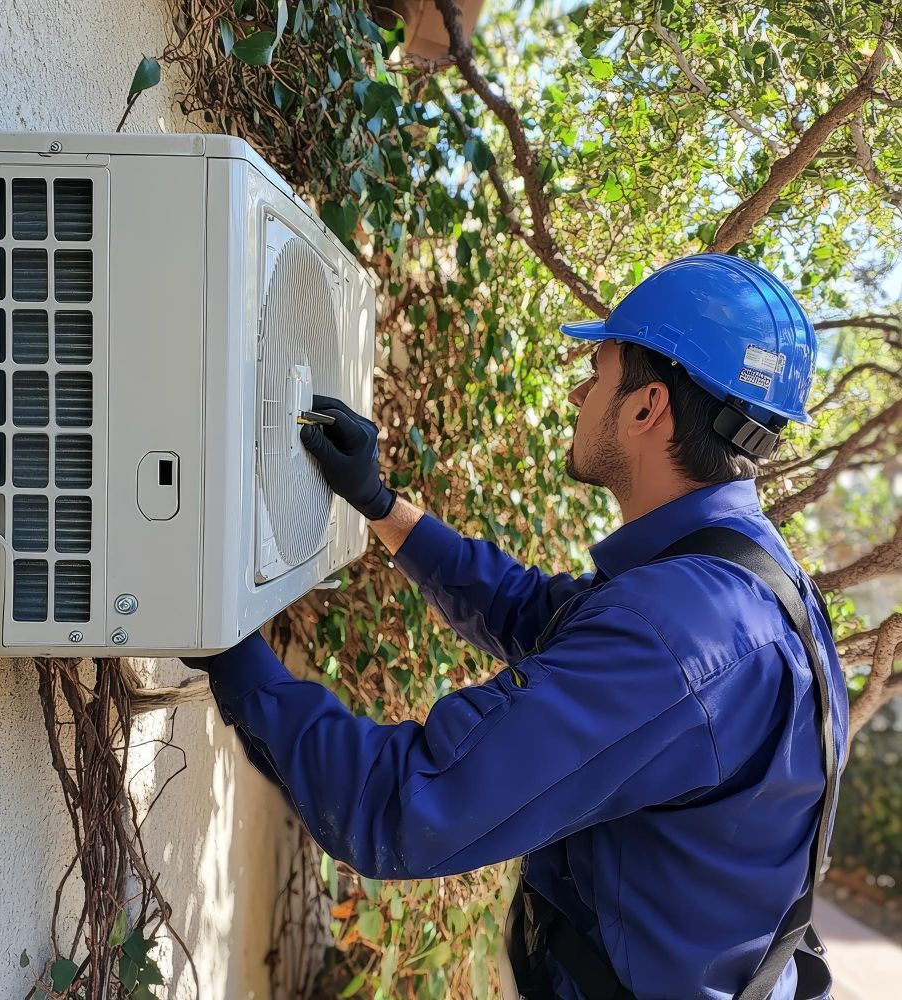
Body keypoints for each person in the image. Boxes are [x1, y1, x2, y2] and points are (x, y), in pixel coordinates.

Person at [194, 254, 848, 999]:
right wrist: (378, 502)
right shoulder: (748, 580)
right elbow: (541, 615)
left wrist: (223, 639)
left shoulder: (684, 632)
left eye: (596, 371)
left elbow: (401, 807)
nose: (577, 391)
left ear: (646, 409)